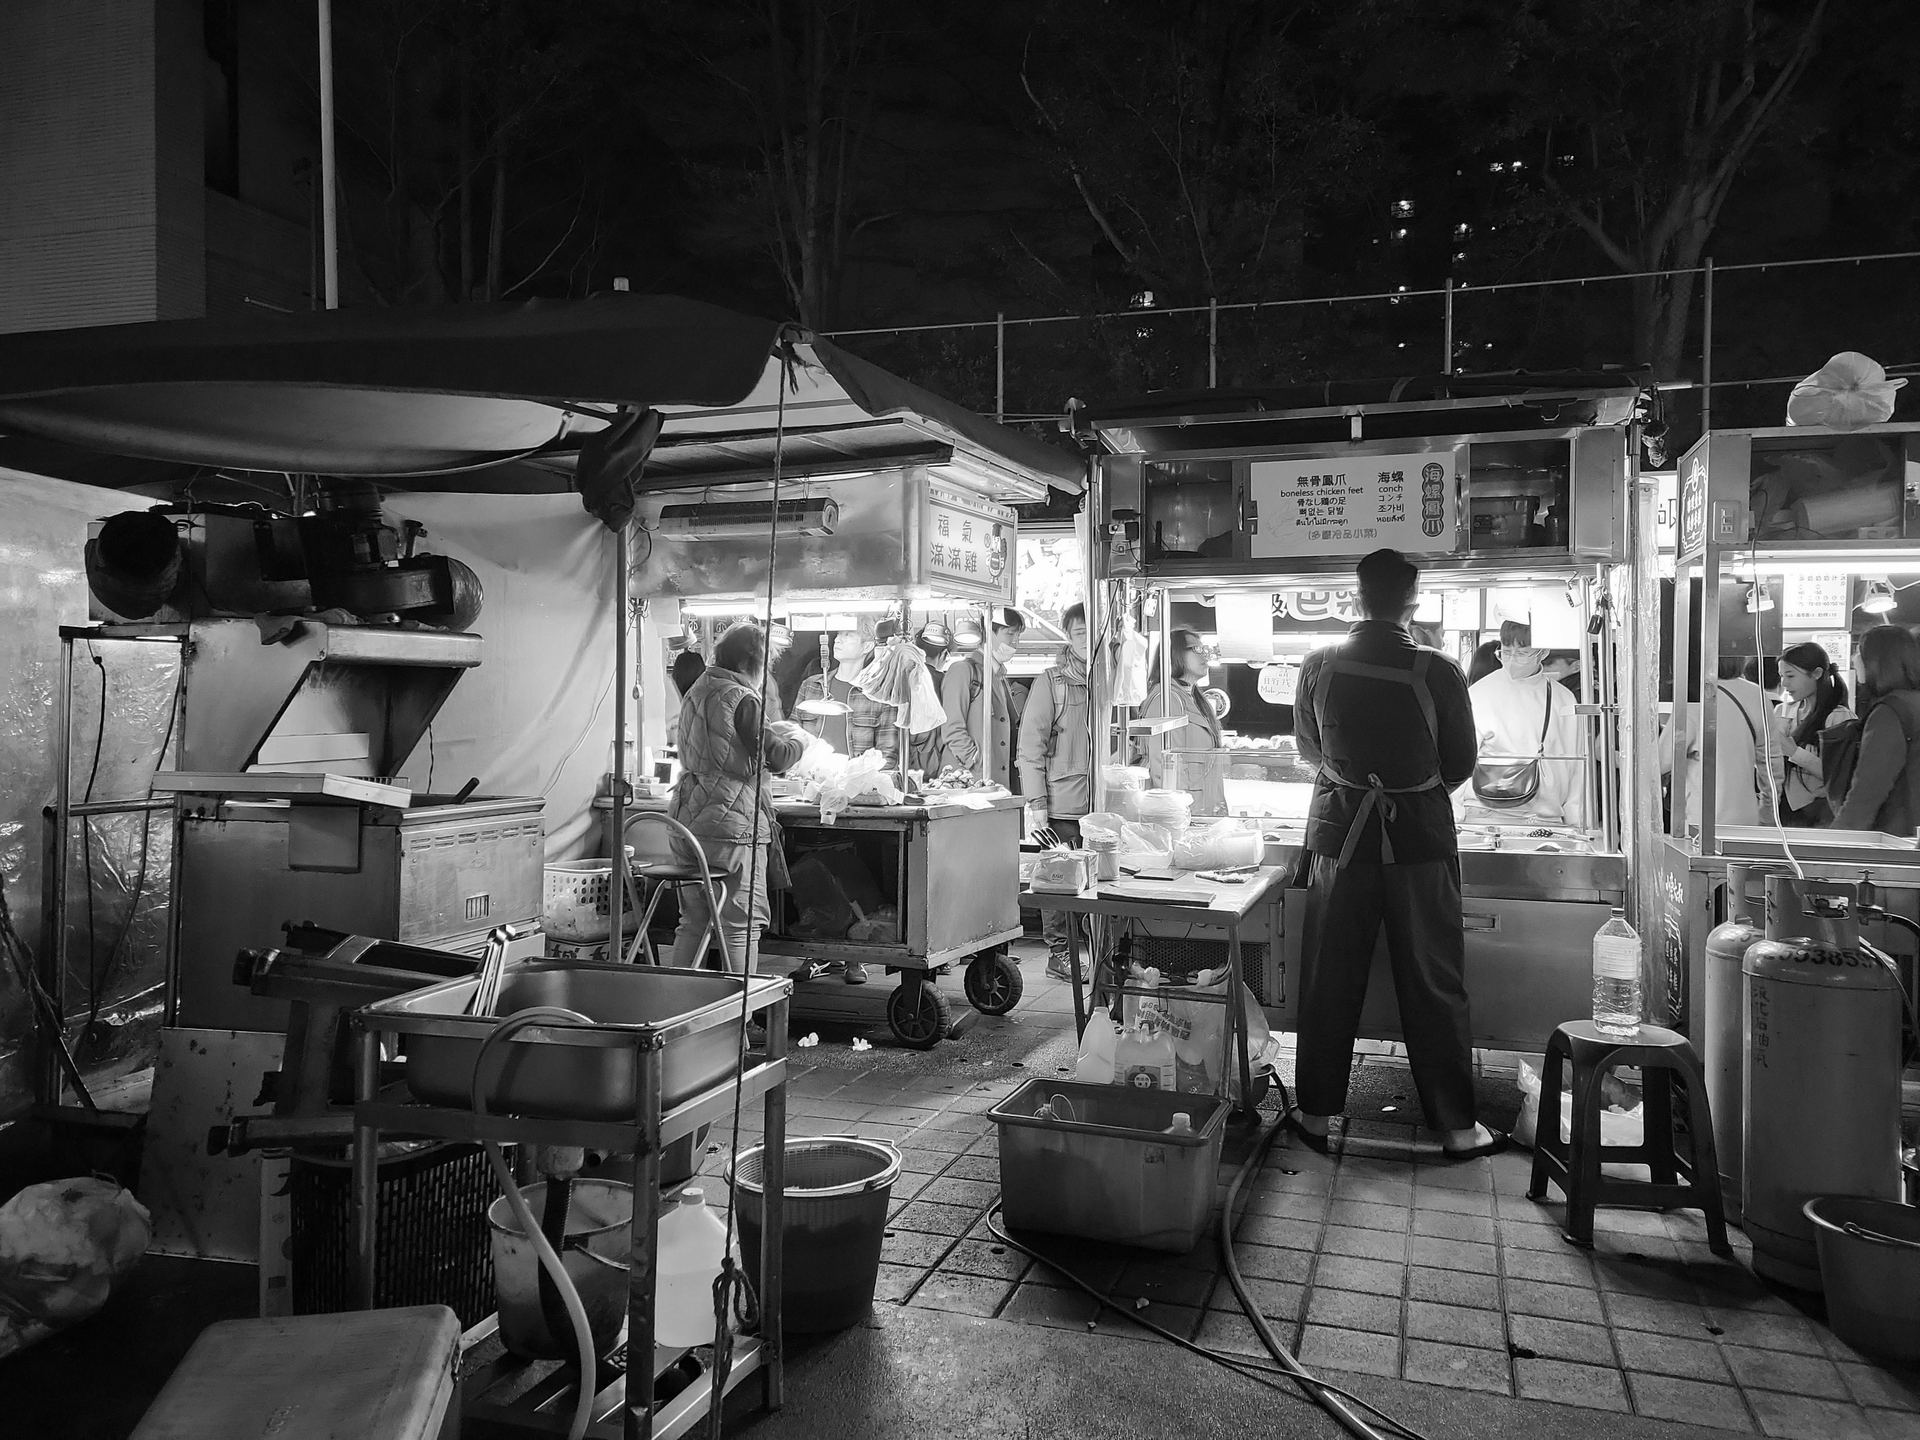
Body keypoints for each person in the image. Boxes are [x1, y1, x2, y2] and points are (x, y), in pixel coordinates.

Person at [1291, 549, 1500, 1159]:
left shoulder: (1318, 665)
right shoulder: (1439, 669)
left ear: (1355, 598)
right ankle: (1457, 1128)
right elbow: (1460, 763)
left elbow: (1310, 750)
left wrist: (1357, 784)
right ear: (1413, 600)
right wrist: (1404, 790)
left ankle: (1315, 1115)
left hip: (1339, 840)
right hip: (1420, 842)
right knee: (1433, 978)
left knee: (1329, 975)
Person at [668, 621, 808, 976]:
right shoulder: (742, 697)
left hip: (688, 817)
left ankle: (674, 1001)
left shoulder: (698, 688)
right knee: (740, 922)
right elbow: (777, 757)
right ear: (754, 660)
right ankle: (738, 1019)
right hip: (731, 825)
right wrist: (800, 741)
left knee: (694, 920)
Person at [1017, 602, 1093, 980]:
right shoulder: (1053, 681)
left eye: (1092, 631)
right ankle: (1059, 953)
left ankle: (1097, 953)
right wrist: (1036, 803)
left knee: (1099, 883)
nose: (1087, 640)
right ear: (1068, 636)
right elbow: (1030, 745)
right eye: (1080, 633)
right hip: (1063, 802)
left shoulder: (1113, 676)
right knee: (1059, 880)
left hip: (1104, 802)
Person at [1464, 621, 1588, 827]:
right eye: (1506, 651)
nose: (1512, 659)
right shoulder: (1479, 693)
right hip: (1482, 814)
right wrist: (1456, 812)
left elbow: (1576, 760)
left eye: (1522, 653)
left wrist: (1575, 818)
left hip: (1545, 819)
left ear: (1543, 652)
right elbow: (1462, 757)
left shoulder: (1562, 698)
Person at [1662, 657, 1787, 832]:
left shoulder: (1695, 696)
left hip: (1702, 819)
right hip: (1747, 816)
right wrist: (1768, 808)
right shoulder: (1756, 694)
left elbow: (1661, 761)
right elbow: (1771, 761)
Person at [1833, 626, 1920, 835]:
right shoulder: (1912, 704)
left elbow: (1867, 792)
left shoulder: (1890, 712)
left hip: (1897, 840)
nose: (1854, 659)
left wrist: (1832, 844)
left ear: (1876, 661)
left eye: (1859, 652)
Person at [933, 608, 1025, 788]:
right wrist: (975, 761)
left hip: (995, 782)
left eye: (1018, 635)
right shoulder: (962, 671)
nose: (1015, 641)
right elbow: (952, 727)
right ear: (989, 633)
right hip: (967, 783)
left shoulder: (999, 676)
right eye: (1009, 633)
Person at [1134, 625, 1224, 808]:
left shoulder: (1194, 698)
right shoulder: (1166, 699)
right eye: (1195, 649)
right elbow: (1163, 764)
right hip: (1182, 812)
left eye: (1203, 649)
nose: (1203, 655)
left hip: (1200, 809)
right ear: (1173, 654)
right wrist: (1176, 814)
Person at [795, 627, 899, 767]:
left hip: (856, 784)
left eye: (848, 635)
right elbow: (793, 735)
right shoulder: (811, 686)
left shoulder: (878, 694)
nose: (838, 640)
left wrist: (865, 784)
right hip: (810, 780)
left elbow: (887, 754)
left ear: (867, 646)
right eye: (838, 634)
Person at [1776, 641, 1851, 826]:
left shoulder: (1840, 718)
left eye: (1790, 676)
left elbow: (1841, 775)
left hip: (1820, 815)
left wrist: (1794, 753)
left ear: (1816, 674)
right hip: (1781, 811)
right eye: (1781, 676)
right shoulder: (1781, 712)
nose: (1784, 683)